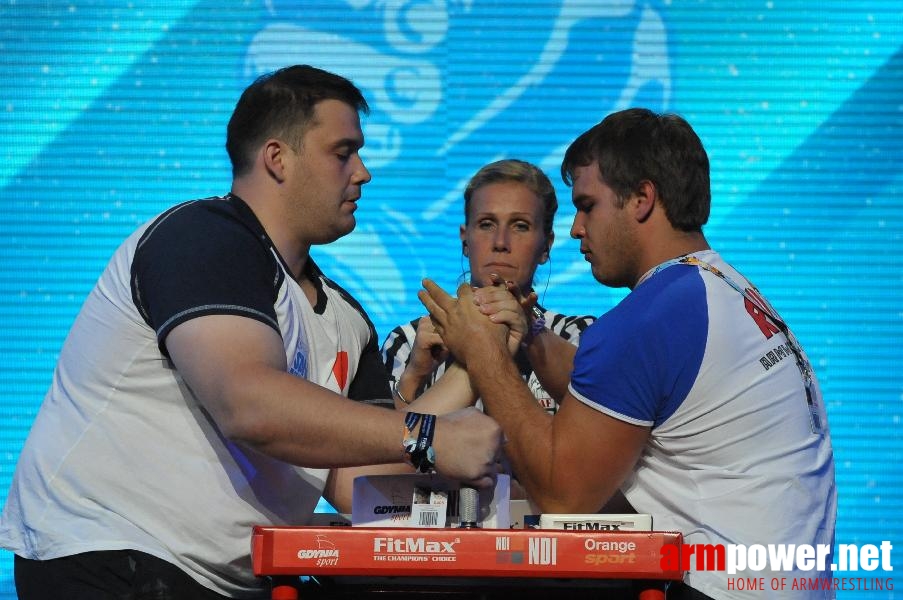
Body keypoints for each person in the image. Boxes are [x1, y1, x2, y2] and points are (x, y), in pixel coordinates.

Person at [0, 65, 502, 600]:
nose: (363, 172)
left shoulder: (347, 318)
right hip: (112, 557)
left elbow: (355, 480)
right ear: (277, 158)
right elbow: (249, 404)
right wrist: (428, 438)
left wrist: (482, 359)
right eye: (343, 152)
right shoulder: (201, 237)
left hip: (225, 581)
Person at [420, 108, 836, 600]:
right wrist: (529, 333)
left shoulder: (650, 318)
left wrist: (485, 355)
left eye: (588, 206)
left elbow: (563, 498)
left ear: (642, 199)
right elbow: (618, 392)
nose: (576, 229)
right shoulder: (717, 288)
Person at [381, 159, 595, 416]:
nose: (500, 242)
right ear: (465, 240)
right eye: (486, 224)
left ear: (546, 246)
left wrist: (530, 333)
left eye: (520, 226)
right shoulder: (408, 342)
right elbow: (384, 450)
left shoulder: (578, 336)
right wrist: (413, 376)